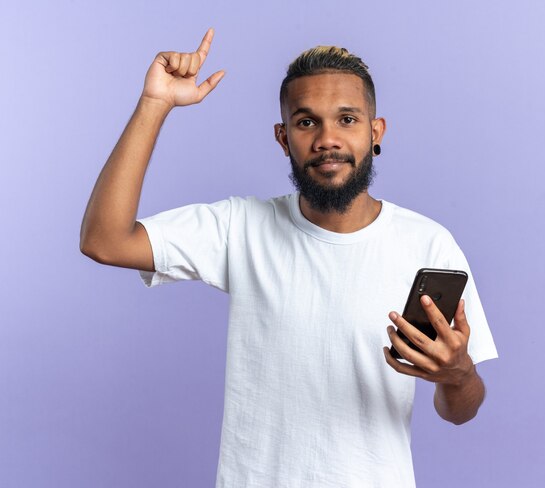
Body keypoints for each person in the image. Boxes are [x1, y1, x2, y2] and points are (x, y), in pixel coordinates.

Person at [80, 27, 497, 488]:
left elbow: (460, 411)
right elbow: (105, 240)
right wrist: (154, 105)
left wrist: (458, 375)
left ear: (376, 132)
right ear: (283, 138)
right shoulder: (241, 228)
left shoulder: (428, 245)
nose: (326, 139)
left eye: (347, 120)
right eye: (306, 122)